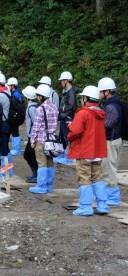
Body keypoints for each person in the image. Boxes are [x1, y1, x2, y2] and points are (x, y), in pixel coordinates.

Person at [68, 85, 109, 216]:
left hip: (84, 151)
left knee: (84, 178)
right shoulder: (101, 113)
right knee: (98, 178)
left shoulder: (83, 113)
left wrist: (69, 133)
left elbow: (75, 131)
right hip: (97, 151)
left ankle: (86, 206)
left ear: (86, 99)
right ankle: (103, 205)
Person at [28, 84, 59, 194]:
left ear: (41, 96)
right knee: (50, 162)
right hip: (51, 140)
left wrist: (32, 140)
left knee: (41, 163)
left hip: (41, 140)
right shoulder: (54, 107)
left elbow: (36, 126)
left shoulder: (41, 109)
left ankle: (41, 186)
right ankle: (49, 186)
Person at [99, 77, 122, 206]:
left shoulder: (111, 106)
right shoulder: (114, 103)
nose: (99, 94)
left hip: (111, 141)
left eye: (101, 91)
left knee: (110, 168)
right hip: (114, 140)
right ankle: (110, 194)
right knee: (108, 167)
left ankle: (113, 196)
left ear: (107, 91)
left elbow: (107, 124)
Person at [0, 73, 14, 177]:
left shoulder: (0, 96)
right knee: (6, 147)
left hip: (3, 124)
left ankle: (5, 172)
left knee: (3, 148)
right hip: (8, 123)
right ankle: (9, 170)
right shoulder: (7, 92)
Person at [56, 71, 78, 165]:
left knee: (67, 137)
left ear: (66, 81)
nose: (61, 83)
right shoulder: (66, 92)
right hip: (63, 118)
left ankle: (69, 156)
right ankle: (64, 154)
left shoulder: (71, 93)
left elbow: (71, 107)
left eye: (62, 81)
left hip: (68, 118)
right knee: (62, 136)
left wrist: (62, 115)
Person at [22, 86, 39, 183]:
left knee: (28, 155)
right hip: (32, 135)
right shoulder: (35, 106)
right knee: (30, 155)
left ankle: (36, 175)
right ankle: (35, 174)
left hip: (32, 136)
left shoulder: (31, 108)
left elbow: (35, 122)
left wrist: (33, 136)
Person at [6, 77, 23, 156]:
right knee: (13, 132)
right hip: (14, 116)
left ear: (13, 86)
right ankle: (15, 148)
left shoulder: (16, 94)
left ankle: (16, 149)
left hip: (15, 117)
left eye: (9, 85)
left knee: (15, 132)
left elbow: (17, 107)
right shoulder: (15, 93)